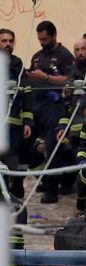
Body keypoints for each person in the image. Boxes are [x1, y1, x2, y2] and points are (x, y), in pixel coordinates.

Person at [28, 21, 74, 203]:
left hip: (54, 106)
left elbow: (70, 80)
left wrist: (46, 77)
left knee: (52, 146)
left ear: (54, 36)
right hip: (36, 105)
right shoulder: (37, 56)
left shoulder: (64, 56)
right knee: (29, 146)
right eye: (39, 39)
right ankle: (45, 177)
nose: (41, 42)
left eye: (44, 39)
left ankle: (52, 188)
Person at [0, 28, 34, 197]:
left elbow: (27, 93)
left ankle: (15, 195)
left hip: (14, 124)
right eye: (4, 41)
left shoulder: (17, 64)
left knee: (13, 161)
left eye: (10, 41)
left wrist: (28, 122)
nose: (8, 44)